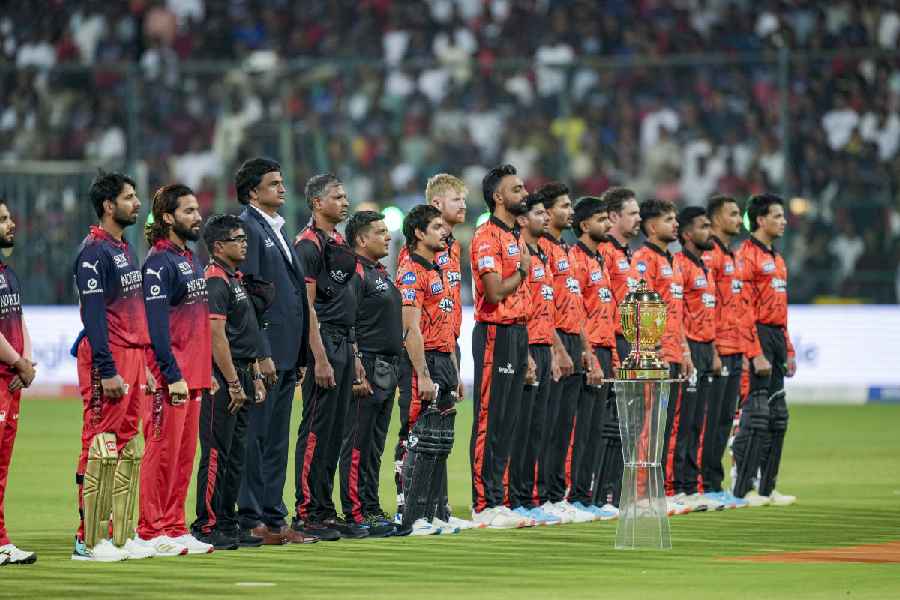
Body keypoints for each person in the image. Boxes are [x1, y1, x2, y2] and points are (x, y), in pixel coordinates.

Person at [71, 171, 154, 562]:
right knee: (100, 443)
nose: (137, 203)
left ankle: (119, 533)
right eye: (129, 197)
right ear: (108, 206)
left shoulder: (124, 249)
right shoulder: (93, 252)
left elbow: (132, 312)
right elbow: (94, 316)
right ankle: (86, 539)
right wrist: (106, 368)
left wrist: (145, 363)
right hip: (109, 356)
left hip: (133, 355)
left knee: (127, 445)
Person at [235, 158, 315, 544]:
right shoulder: (248, 228)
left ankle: (274, 518)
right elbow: (250, 295)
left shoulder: (275, 228)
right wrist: (259, 352)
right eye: (274, 184)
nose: (283, 189)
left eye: (283, 182)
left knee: (276, 438)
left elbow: (293, 296)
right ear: (253, 192)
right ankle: (250, 517)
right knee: (257, 436)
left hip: (285, 353)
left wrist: (299, 353)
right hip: (265, 353)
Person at [191, 215, 276, 549]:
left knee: (236, 453)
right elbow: (216, 336)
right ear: (217, 246)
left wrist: (252, 374)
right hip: (221, 376)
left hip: (240, 371)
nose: (244, 243)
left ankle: (227, 520)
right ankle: (207, 523)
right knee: (216, 452)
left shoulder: (233, 278)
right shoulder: (215, 280)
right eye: (237, 238)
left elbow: (245, 335)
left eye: (244, 238)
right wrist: (233, 381)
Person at [138, 184, 214, 556]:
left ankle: (174, 525)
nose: (197, 216)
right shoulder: (157, 263)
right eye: (188, 211)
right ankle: (151, 530)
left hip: (194, 375)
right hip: (172, 378)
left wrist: (204, 369)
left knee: (184, 456)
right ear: (168, 217)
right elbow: (155, 327)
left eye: (197, 209)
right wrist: (171, 374)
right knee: (162, 452)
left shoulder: (189, 258)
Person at [395, 174, 472, 531]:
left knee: (439, 438)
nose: (444, 231)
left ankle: (435, 510)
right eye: (437, 225)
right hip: (422, 358)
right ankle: (409, 513)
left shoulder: (443, 258)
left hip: (445, 352)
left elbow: (444, 313)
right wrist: (423, 371)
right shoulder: (412, 268)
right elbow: (410, 327)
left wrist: (454, 365)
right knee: (417, 436)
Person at [293, 173, 368, 540]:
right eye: (337, 196)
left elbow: (345, 304)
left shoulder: (337, 241)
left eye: (345, 195)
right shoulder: (308, 246)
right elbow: (306, 306)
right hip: (321, 341)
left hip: (342, 342)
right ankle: (306, 511)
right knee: (315, 430)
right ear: (317, 203)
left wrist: (352, 353)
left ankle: (324, 509)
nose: (345, 201)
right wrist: (318, 357)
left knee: (335, 432)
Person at [468, 164, 531, 529]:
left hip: (518, 332)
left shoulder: (514, 235)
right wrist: (521, 271)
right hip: (495, 331)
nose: (524, 194)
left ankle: (500, 499)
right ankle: (483, 503)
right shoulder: (486, 236)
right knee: (490, 419)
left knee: (508, 421)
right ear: (498, 196)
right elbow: (494, 292)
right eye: (517, 189)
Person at [536, 182, 601, 525]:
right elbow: (544, 305)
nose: (570, 211)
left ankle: (557, 495)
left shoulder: (566, 251)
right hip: (554, 339)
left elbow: (577, 306)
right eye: (564, 205)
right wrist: (557, 347)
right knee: (549, 425)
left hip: (575, 339)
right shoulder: (541, 248)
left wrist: (586, 349)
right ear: (546, 213)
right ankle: (545, 495)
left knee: (564, 426)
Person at [732, 194, 797, 507]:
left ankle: (768, 488)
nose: (783, 221)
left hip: (775, 336)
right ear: (760, 220)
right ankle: (742, 489)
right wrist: (753, 350)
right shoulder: (746, 255)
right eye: (777, 216)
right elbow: (742, 307)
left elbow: (781, 309)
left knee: (778, 416)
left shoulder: (778, 258)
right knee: (756, 415)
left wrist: (789, 348)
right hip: (756, 334)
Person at [338, 211, 400, 538]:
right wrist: (357, 364)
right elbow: (347, 322)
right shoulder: (355, 272)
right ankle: (354, 512)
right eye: (380, 232)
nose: (388, 237)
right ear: (362, 239)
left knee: (374, 444)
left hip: (388, 367)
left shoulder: (378, 272)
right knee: (357, 442)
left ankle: (371, 507)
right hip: (367, 366)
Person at [631, 198, 695, 515]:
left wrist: (683, 350)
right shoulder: (644, 259)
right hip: (653, 354)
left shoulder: (672, 260)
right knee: (649, 425)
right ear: (652, 226)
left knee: (667, 425)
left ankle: (662, 489)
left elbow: (674, 313)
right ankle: (642, 494)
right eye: (669, 220)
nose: (676, 225)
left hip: (672, 351)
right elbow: (640, 307)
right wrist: (651, 347)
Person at [507, 193, 560, 525]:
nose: (547, 217)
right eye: (540, 213)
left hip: (545, 344)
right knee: (520, 427)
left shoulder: (545, 254)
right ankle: (512, 498)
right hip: (523, 343)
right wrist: (525, 351)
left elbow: (548, 307)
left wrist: (554, 349)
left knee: (540, 427)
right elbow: (517, 305)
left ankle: (531, 498)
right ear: (523, 220)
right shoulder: (518, 254)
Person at [570, 197, 619, 519]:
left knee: (595, 430)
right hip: (587, 349)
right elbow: (577, 312)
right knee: (579, 428)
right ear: (585, 225)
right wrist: (589, 354)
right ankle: (572, 496)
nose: (609, 225)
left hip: (604, 347)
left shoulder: (599, 259)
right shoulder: (575, 259)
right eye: (602, 220)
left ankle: (586, 497)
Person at [673, 207, 725, 511]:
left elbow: (708, 312)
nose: (710, 231)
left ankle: (691, 487)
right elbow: (676, 312)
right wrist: (685, 351)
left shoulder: (704, 265)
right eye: (704, 226)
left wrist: (714, 350)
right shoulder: (679, 265)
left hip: (706, 348)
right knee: (684, 421)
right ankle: (677, 486)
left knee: (697, 422)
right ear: (688, 234)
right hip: (689, 347)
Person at [702, 195, 751, 509]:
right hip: (717, 347)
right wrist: (715, 348)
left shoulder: (732, 255)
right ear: (716, 219)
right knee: (708, 420)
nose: (739, 219)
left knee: (723, 421)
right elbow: (707, 307)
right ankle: (702, 483)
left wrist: (744, 348)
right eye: (733, 214)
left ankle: (714, 483)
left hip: (735, 348)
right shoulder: (712, 256)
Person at [596, 187, 642, 511]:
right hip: (613, 341)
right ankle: (601, 492)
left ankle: (617, 490)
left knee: (628, 422)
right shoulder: (606, 253)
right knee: (610, 420)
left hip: (631, 342)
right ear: (613, 217)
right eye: (632, 213)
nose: (637, 218)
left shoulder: (629, 256)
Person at [0, 199, 37, 565]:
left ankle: (1, 540)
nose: (11, 224)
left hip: (10, 380)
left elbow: (17, 317)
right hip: (3, 378)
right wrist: (18, 362)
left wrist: (25, 362)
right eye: (3, 220)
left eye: (10, 217)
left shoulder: (8, 273)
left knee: (2, 466)